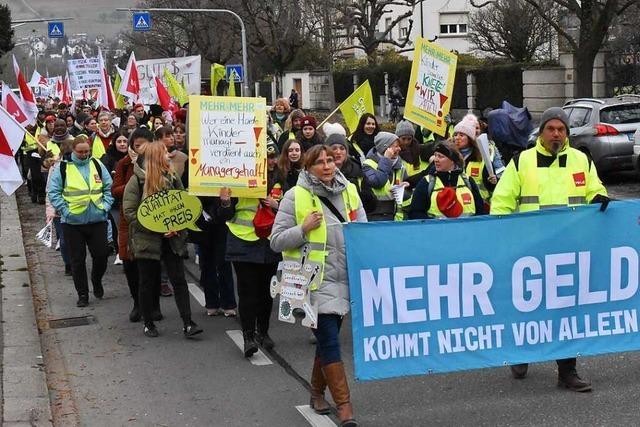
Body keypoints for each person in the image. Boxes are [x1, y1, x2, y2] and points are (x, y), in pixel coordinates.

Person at [490, 107, 609, 392]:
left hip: (568, 251)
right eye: (550, 129)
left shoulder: (581, 159)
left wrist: (599, 196)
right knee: (528, 307)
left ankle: (567, 371)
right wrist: (497, 235)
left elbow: (594, 188)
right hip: (530, 250)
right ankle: (522, 353)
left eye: (561, 129)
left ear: (567, 133)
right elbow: (502, 200)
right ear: (541, 132)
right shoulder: (522, 161)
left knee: (565, 312)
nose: (556, 134)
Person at [271, 144, 366, 427]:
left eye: (329, 161)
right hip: (312, 282)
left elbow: (363, 230)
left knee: (329, 338)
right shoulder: (295, 196)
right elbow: (276, 240)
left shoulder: (349, 190)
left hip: (344, 278)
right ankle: (345, 406)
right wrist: (303, 229)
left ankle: (316, 392)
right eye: (319, 162)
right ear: (307, 167)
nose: (327, 166)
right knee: (329, 339)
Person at [122, 142, 203, 338]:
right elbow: (130, 212)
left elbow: (184, 203)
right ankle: (148, 323)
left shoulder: (173, 177)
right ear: (156, 156)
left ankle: (188, 322)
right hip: (147, 241)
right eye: (165, 152)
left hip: (172, 239)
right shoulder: (137, 181)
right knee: (147, 282)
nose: (168, 155)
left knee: (179, 280)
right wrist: (156, 228)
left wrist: (177, 226)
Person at [219, 160, 282, 357]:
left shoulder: (279, 178)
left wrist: (276, 205)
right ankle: (248, 336)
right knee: (247, 292)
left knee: (266, 292)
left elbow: (294, 210)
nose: (270, 160)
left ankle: (263, 332)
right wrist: (225, 202)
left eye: (272, 156)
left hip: (269, 242)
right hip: (242, 241)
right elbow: (224, 216)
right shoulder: (235, 176)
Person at [47, 135, 114, 307]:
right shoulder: (63, 168)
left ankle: (96, 280)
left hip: (97, 219)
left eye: (87, 151)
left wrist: (105, 206)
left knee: (101, 255)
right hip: (72, 223)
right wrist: (65, 210)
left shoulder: (97, 165)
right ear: (73, 151)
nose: (84, 155)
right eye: (80, 152)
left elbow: (108, 187)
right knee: (77, 260)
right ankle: (82, 294)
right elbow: (53, 192)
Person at [112, 128, 162, 323]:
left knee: (152, 265)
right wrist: (136, 184)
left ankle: (154, 304)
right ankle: (137, 303)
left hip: (154, 221)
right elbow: (115, 190)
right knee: (130, 263)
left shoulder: (158, 163)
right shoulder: (124, 164)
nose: (139, 149)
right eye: (136, 145)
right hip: (129, 221)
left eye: (143, 145)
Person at [407, 141, 484, 219]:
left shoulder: (467, 181)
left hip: (466, 229)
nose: (436, 160)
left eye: (440, 156)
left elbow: (481, 211)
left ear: (452, 160)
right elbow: (415, 213)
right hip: (437, 230)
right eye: (435, 155)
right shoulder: (427, 182)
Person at [324, 122, 377, 214]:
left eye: (342, 148)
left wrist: (367, 197)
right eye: (334, 148)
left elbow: (370, 207)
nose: (338, 152)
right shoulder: (321, 172)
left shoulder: (357, 171)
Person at [452, 118, 498, 210]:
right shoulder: (449, 157)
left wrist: (493, 182)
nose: (457, 138)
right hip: (453, 208)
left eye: (461, 135)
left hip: (479, 208)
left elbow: (492, 188)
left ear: (470, 138)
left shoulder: (482, 160)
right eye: (455, 135)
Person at [362, 132, 409, 221]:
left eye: (399, 146)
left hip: (396, 218)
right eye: (395, 146)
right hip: (375, 217)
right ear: (385, 148)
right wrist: (386, 159)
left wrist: (402, 190)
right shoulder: (368, 165)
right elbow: (379, 182)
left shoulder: (400, 165)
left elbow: (409, 194)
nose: (399, 149)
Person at [395, 120, 433, 189]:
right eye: (403, 139)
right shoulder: (393, 153)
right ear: (397, 138)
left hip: (418, 188)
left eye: (409, 139)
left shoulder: (418, 149)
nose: (406, 142)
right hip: (403, 190)